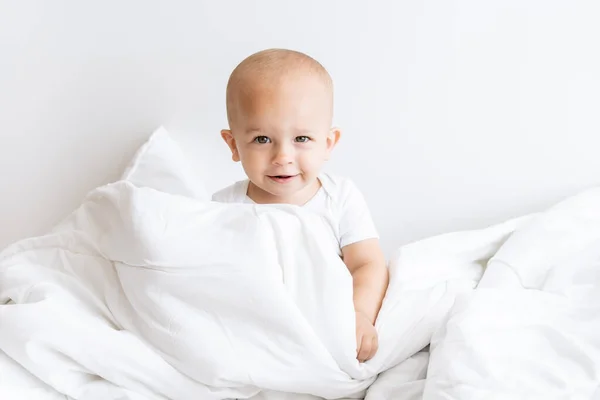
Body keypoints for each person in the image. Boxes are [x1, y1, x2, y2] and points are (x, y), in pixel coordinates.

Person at [212, 48, 388, 362]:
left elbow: (367, 264)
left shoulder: (340, 198)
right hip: (258, 336)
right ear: (234, 145)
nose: (283, 157)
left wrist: (359, 315)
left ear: (328, 143)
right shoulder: (224, 207)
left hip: (328, 327)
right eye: (263, 139)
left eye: (302, 139)